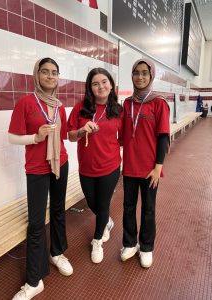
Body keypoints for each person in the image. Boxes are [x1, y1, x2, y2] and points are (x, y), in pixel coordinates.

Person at [8, 58, 73, 300]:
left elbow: (64, 137)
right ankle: (35, 281)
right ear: (36, 75)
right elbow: (12, 138)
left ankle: (57, 253)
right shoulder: (25, 102)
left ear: (58, 77)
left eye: (54, 72)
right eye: (44, 72)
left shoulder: (60, 105)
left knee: (58, 210)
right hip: (36, 168)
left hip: (60, 163)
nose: (49, 76)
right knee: (36, 223)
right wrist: (35, 137)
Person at [67, 68, 123, 264]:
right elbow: (70, 136)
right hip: (87, 168)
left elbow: (123, 139)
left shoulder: (117, 109)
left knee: (103, 204)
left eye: (104, 81)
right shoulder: (81, 108)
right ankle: (106, 220)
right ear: (90, 87)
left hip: (110, 166)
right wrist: (83, 130)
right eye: (95, 83)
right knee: (93, 204)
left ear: (111, 84)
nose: (101, 86)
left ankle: (97, 240)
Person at [120, 58, 170, 268]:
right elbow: (121, 133)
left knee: (148, 209)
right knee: (128, 207)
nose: (140, 77)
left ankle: (146, 247)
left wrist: (158, 167)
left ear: (151, 76)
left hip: (150, 169)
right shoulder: (127, 103)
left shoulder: (159, 103)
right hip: (130, 167)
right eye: (136, 73)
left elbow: (163, 137)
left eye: (144, 73)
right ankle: (130, 243)